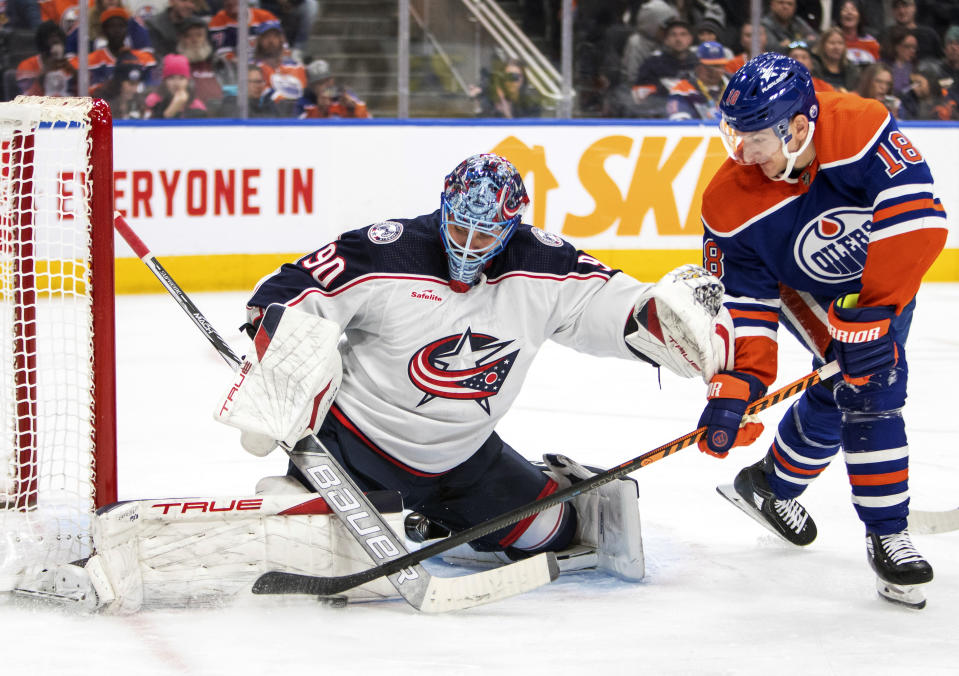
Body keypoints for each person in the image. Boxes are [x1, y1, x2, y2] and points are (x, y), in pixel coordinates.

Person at [228, 153, 735, 579]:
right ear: (443, 207)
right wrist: (276, 363)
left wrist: (660, 319)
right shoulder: (386, 249)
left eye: (486, 235)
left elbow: (607, 305)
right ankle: (310, 491)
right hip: (358, 448)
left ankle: (440, 525)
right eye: (458, 227)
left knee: (550, 532)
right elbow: (286, 293)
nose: (469, 246)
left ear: (511, 226)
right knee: (320, 550)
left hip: (465, 458)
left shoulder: (543, 263)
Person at [699, 52, 946, 609]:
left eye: (755, 138)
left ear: (799, 127)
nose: (741, 152)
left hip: (881, 269)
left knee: (845, 382)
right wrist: (740, 381)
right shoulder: (728, 202)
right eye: (733, 135)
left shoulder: (858, 125)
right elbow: (745, 302)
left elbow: (919, 217)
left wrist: (875, 311)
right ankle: (888, 533)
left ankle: (771, 484)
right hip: (804, 288)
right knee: (870, 384)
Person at [70, 6, 155, 95]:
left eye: (121, 26)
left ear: (127, 30)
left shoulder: (144, 59)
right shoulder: (89, 62)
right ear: (104, 30)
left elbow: (151, 90)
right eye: (112, 26)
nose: (117, 31)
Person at [667, 41, 730, 119]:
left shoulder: (738, 86)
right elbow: (679, 121)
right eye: (708, 67)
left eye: (718, 66)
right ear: (697, 66)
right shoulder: (682, 89)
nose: (714, 71)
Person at [15, 20, 76, 96]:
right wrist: (45, 73)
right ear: (42, 42)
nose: (56, 40)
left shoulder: (73, 62)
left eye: (58, 37)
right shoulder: (27, 65)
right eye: (51, 38)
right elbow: (25, 99)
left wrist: (74, 74)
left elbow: (86, 95)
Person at [296, 58, 370, 118]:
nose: (326, 85)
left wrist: (352, 109)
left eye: (328, 80)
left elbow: (368, 118)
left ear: (332, 79)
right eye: (320, 83)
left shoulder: (342, 93)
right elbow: (299, 128)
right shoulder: (304, 102)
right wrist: (320, 111)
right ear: (311, 86)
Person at [473, 57, 544, 118]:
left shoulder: (531, 105)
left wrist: (507, 113)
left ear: (523, 79)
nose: (512, 81)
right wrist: (476, 101)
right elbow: (481, 126)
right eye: (508, 76)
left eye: (515, 77)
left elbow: (528, 130)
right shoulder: (491, 100)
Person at [144, 52, 208, 118]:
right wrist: (173, 108)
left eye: (181, 78)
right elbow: (149, 126)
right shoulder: (153, 101)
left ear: (188, 81)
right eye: (171, 78)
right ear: (165, 81)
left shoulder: (196, 106)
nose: (176, 83)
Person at [812, 27, 860, 91]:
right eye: (832, 43)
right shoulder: (813, 67)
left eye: (840, 43)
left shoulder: (852, 69)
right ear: (823, 45)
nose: (836, 47)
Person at [835, 0, 879, 65]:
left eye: (853, 9)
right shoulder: (833, 42)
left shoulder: (871, 43)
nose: (849, 12)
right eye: (845, 9)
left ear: (860, 16)